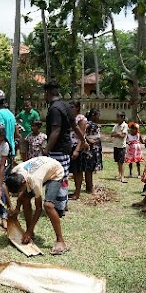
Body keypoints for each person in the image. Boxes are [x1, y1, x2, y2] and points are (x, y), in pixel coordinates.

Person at [5, 156, 68, 255]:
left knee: (48, 205)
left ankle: (61, 241)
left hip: (55, 171)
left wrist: (28, 231)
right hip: (43, 167)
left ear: (23, 182)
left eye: (20, 190)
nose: (19, 193)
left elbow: (38, 209)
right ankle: (30, 233)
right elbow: (21, 195)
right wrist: (17, 209)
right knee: (25, 198)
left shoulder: (35, 180)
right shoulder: (15, 172)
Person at [42, 80, 86, 215]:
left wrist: (46, 150)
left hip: (57, 149)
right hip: (66, 149)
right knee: (63, 177)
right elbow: (75, 126)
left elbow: (55, 131)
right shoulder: (66, 106)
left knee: (56, 178)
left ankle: (58, 208)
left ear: (47, 93)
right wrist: (83, 140)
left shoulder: (54, 108)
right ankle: (63, 204)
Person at [68, 100, 88, 200]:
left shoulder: (81, 119)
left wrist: (77, 150)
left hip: (77, 146)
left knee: (78, 171)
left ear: (77, 108)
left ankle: (77, 192)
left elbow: (82, 136)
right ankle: (74, 191)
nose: (70, 108)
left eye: (72, 107)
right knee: (73, 171)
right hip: (69, 146)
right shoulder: (70, 118)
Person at [0, 89, 17, 160]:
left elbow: (0, 131)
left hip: (3, 151)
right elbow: (16, 133)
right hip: (12, 150)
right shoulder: (11, 114)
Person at [83, 109, 103, 194]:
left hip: (95, 148)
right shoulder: (88, 123)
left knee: (91, 168)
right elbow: (81, 132)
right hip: (90, 149)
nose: (99, 117)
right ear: (93, 115)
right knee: (89, 168)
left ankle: (89, 187)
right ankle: (89, 188)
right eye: (98, 115)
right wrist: (87, 140)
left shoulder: (94, 124)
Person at [111, 111, 128, 183]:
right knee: (118, 161)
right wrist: (119, 133)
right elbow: (112, 134)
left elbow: (123, 136)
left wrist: (117, 134)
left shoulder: (125, 125)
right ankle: (119, 174)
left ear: (123, 117)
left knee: (121, 162)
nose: (117, 118)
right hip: (116, 145)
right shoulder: (116, 126)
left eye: (118, 117)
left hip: (121, 146)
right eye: (117, 117)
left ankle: (122, 176)